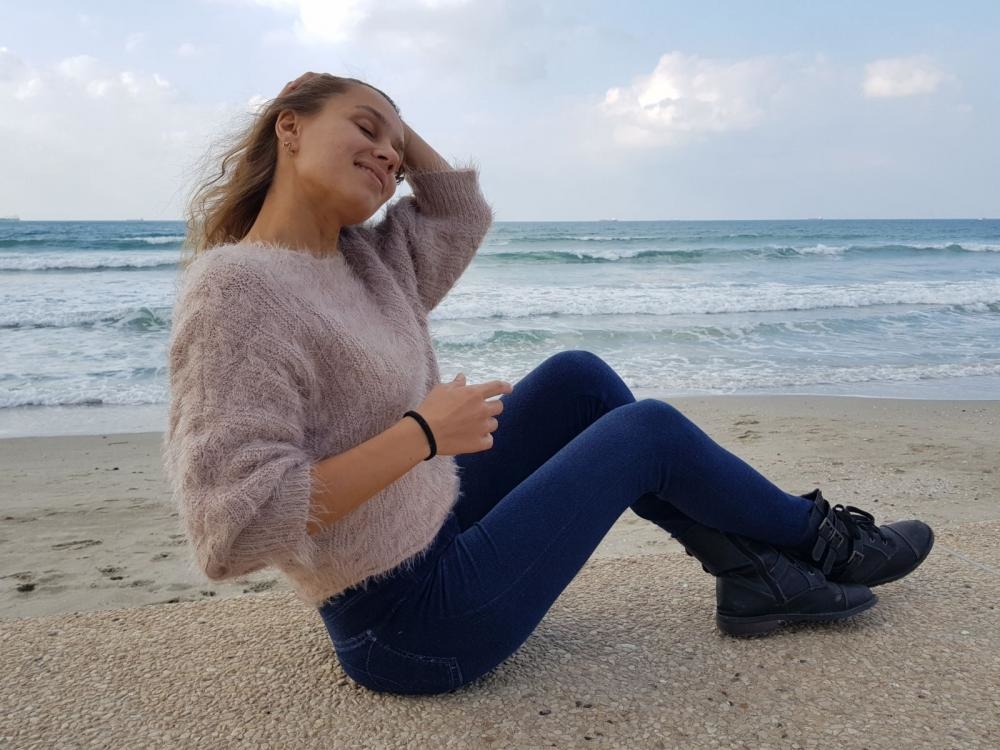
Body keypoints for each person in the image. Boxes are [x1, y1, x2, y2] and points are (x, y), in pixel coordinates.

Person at [163, 72, 935, 697]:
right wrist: (422, 436)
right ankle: (818, 544)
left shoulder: (365, 262)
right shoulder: (237, 293)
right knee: (646, 432)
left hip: (435, 524)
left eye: (396, 150)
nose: (391, 159)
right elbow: (234, 530)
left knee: (579, 379)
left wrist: (386, 122)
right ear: (288, 126)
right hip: (407, 625)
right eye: (365, 129)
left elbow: (458, 210)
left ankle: (754, 574)